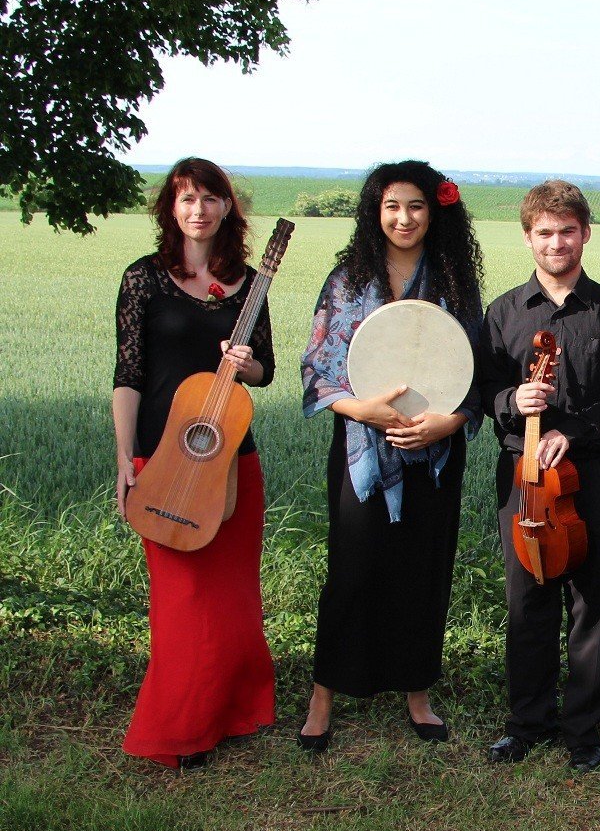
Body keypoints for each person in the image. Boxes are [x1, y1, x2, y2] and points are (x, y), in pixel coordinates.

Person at [299, 161, 483, 751]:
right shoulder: (347, 280)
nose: (404, 219)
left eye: (417, 207)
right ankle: (323, 696)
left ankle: (417, 692)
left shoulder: (454, 281)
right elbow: (317, 369)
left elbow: (475, 371)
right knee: (351, 570)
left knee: (422, 571)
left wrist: (448, 422)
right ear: (375, 211)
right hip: (362, 452)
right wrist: (364, 411)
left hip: (434, 452)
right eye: (392, 206)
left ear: (436, 212)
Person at [477, 180, 600, 772]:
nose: (557, 243)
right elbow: (479, 393)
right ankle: (527, 722)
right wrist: (511, 401)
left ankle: (584, 729)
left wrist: (569, 432)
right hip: (522, 475)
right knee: (528, 600)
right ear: (528, 237)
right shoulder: (502, 313)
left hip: (596, 472)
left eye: (567, 231)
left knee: (595, 602)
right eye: (545, 233)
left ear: (585, 234)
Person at [113, 157, 276, 769]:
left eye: (210, 199)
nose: (199, 211)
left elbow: (266, 371)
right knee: (181, 601)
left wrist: (245, 360)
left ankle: (232, 713)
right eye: (187, 200)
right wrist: (123, 460)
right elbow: (127, 375)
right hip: (164, 458)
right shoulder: (143, 280)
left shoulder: (250, 284)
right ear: (170, 208)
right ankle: (179, 728)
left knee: (231, 596)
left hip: (232, 461)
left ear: (227, 208)